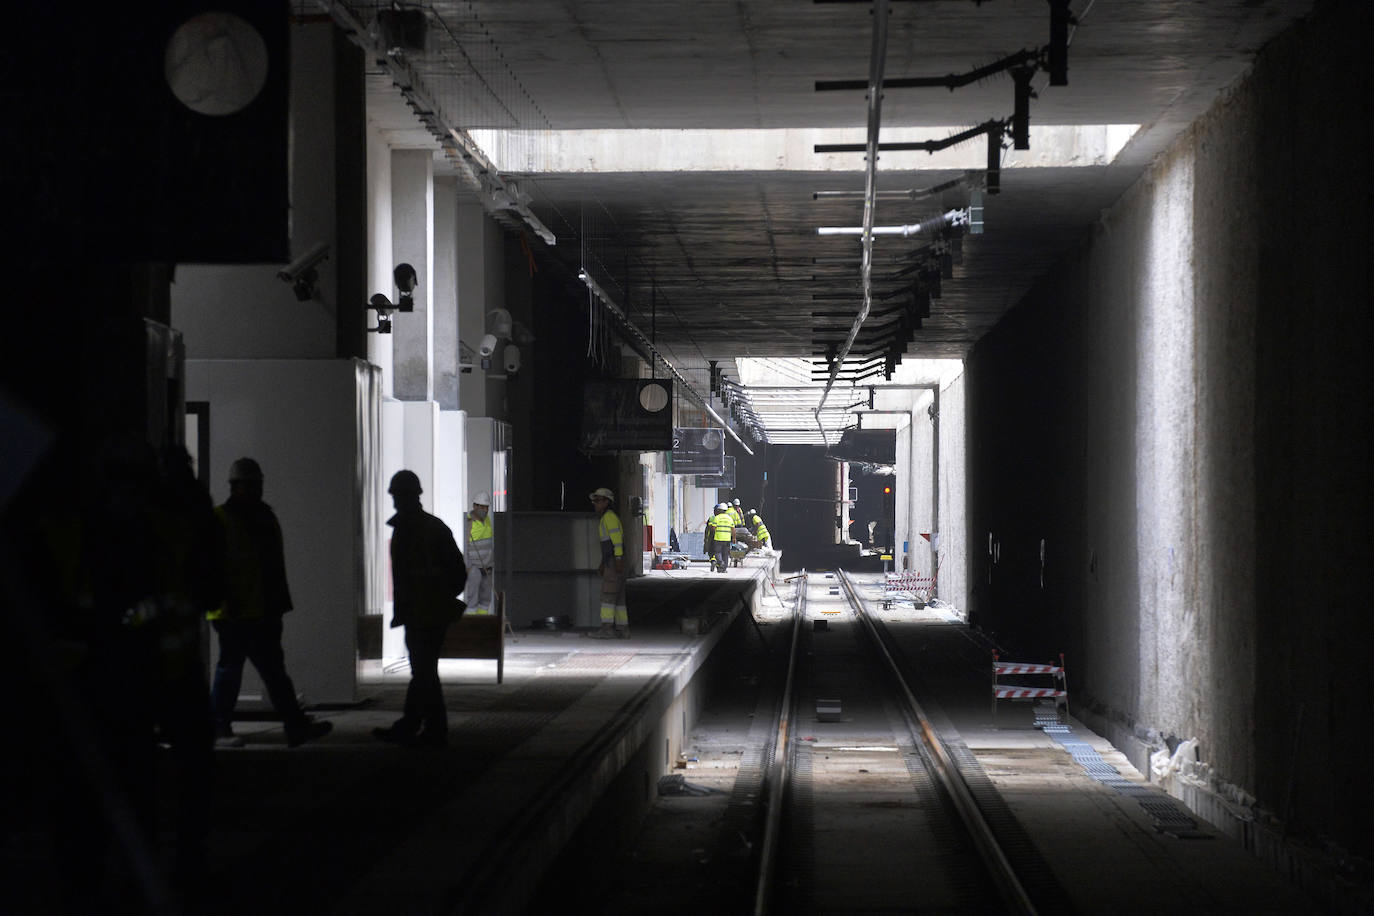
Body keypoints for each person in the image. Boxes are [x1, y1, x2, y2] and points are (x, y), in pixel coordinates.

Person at [208, 458, 331, 748]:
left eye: (257, 484)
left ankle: (293, 726)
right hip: (235, 611)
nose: (256, 489)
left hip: (260, 611)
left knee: (268, 671)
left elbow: (271, 569)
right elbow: (214, 567)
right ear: (237, 486)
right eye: (250, 484)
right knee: (236, 670)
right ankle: (223, 728)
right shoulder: (227, 519)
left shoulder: (262, 517)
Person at [374, 470, 467, 748]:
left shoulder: (414, 531)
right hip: (426, 613)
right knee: (423, 672)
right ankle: (413, 725)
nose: (395, 501)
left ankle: (432, 729)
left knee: (424, 672)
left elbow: (451, 575)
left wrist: (431, 598)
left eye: (397, 496)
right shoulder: (429, 528)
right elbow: (457, 574)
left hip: (423, 614)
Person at [587, 487, 628, 638]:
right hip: (612, 561)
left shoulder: (609, 518)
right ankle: (623, 630)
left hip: (614, 562)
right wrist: (603, 563)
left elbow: (616, 542)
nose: (595, 504)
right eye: (595, 501)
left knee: (608, 597)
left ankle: (606, 630)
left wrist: (617, 559)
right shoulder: (608, 517)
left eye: (598, 501)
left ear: (606, 502)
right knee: (618, 599)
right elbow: (610, 545)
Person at [465, 492, 494, 614]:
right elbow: (464, 546)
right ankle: (472, 623)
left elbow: (489, 544)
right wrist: (468, 567)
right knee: (472, 597)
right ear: (475, 506)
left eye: (486, 507)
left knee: (486, 597)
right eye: (482, 507)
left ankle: (483, 621)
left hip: (487, 566)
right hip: (474, 567)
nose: (485, 510)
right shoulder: (468, 522)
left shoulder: (487, 520)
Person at [710, 501, 735, 574]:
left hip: (718, 538)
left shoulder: (717, 518)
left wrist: (714, 531)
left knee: (717, 552)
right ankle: (723, 569)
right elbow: (733, 529)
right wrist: (734, 538)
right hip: (727, 539)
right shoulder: (729, 518)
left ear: (719, 510)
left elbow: (713, 528)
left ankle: (720, 563)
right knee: (725, 554)